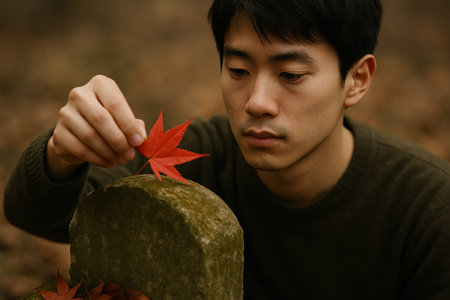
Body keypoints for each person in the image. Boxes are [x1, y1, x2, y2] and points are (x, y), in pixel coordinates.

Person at [4, 0, 450, 298]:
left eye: (290, 75)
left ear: (357, 79)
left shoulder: (428, 212)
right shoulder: (199, 157)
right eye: (238, 69)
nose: (257, 102)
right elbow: (40, 214)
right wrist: (61, 157)